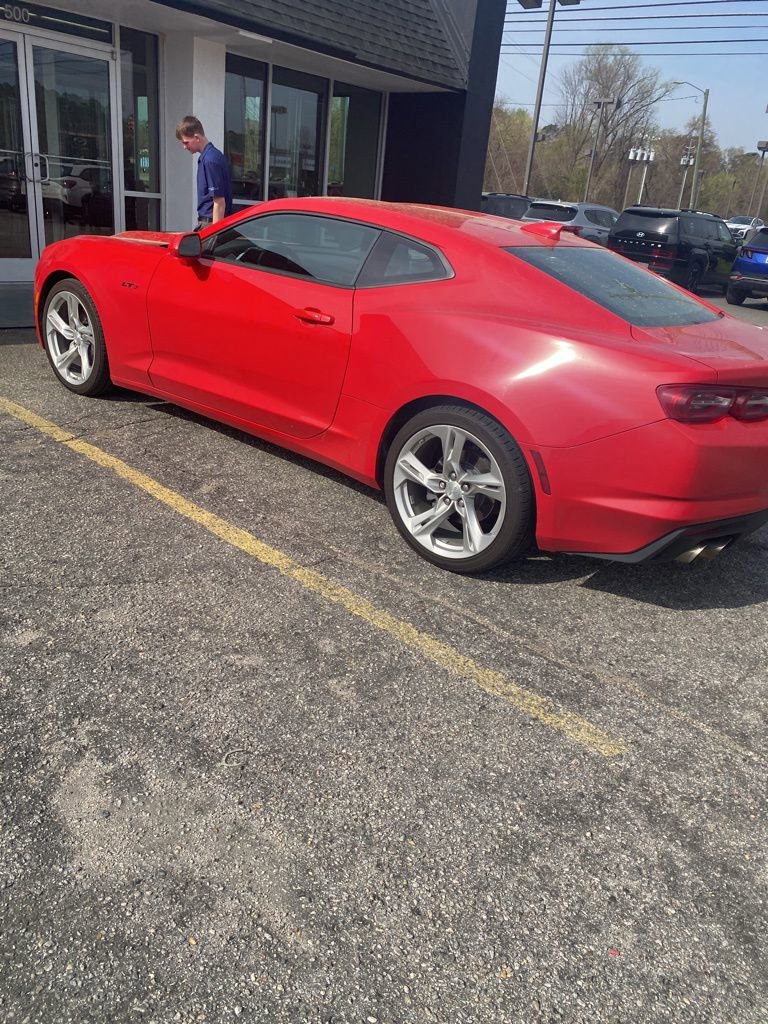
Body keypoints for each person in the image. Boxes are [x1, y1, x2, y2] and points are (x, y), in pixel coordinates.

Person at [175, 115, 233, 231]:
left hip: (211, 223)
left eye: (186, 142)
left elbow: (219, 202)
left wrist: (214, 235)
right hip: (208, 222)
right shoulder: (210, 157)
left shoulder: (210, 160)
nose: (184, 147)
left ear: (196, 137)